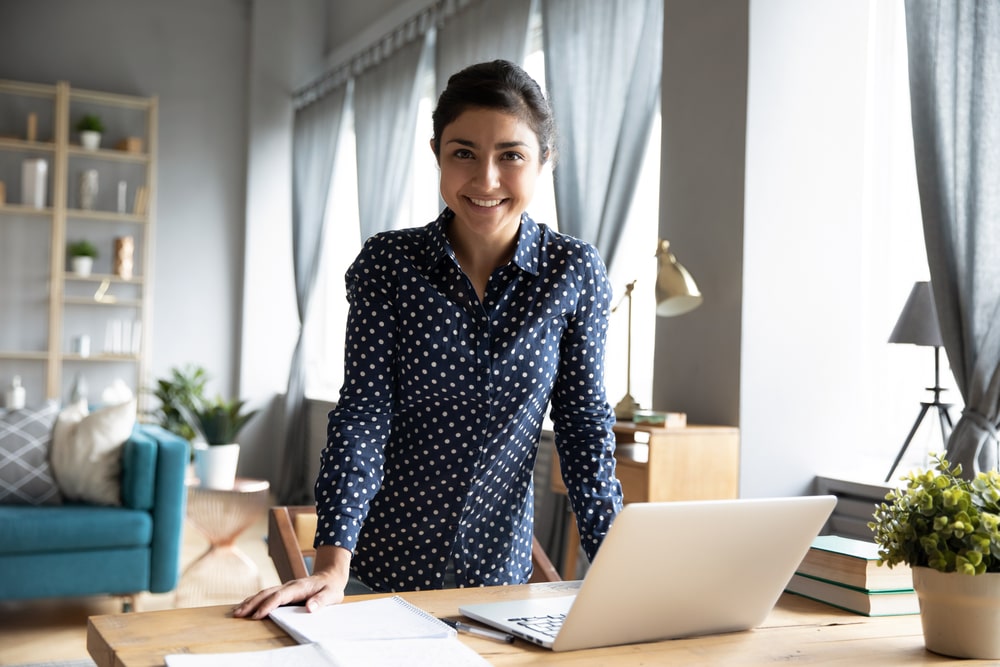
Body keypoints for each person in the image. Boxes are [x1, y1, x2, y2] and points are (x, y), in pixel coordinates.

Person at [235, 59, 623, 620]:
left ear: (545, 162)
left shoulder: (573, 271)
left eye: (511, 155)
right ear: (438, 155)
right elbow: (363, 416)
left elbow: (585, 430)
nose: (485, 179)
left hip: (498, 589)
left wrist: (617, 568)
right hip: (380, 573)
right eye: (463, 152)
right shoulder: (390, 264)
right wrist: (331, 565)